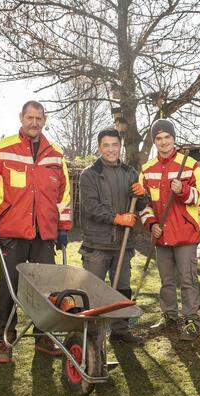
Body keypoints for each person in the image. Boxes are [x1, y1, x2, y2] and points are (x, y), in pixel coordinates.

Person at [0, 100, 72, 362]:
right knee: (9, 287)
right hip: (11, 233)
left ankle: (43, 337)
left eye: (39, 118)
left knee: (46, 288)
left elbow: (64, 197)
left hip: (44, 234)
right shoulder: (1, 150)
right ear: (21, 117)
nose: (34, 122)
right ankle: (5, 340)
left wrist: (63, 228)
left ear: (45, 120)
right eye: (30, 117)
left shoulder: (56, 155)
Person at [78, 127, 149, 344]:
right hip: (97, 245)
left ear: (120, 146)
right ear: (99, 147)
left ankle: (120, 330)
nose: (111, 149)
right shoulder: (89, 174)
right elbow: (91, 206)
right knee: (94, 292)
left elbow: (140, 205)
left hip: (123, 244)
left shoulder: (130, 173)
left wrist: (142, 195)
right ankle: (91, 334)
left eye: (115, 145)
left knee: (122, 289)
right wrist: (117, 218)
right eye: (106, 145)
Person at [139, 119, 200, 341]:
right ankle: (169, 316)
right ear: (154, 141)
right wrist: (151, 224)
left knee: (187, 280)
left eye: (167, 137)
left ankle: (192, 321)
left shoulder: (191, 165)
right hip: (161, 235)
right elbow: (144, 204)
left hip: (185, 235)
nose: (163, 142)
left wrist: (183, 190)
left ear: (173, 138)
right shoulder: (147, 170)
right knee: (166, 281)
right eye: (158, 138)